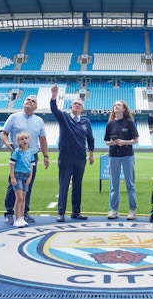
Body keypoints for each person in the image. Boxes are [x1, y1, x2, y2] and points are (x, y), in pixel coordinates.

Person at [0, 94, 49, 225]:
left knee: (28, 184)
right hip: (18, 156)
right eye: (28, 100)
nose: (30, 102)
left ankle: (24, 212)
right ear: (23, 103)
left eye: (33, 101)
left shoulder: (39, 121)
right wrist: (7, 143)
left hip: (32, 156)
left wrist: (46, 156)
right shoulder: (13, 117)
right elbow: (4, 133)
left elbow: (42, 139)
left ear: (36, 107)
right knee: (13, 184)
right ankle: (9, 212)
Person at [50, 85, 95, 222]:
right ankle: (61, 213)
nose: (77, 105)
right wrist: (54, 95)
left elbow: (90, 139)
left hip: (80, 158)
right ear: (71, 106)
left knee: (77, 185)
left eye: (79, 104)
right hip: (66, 157)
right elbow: (54, 109)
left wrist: (91, 154)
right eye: (75, 103)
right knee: (64, 185)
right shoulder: (64, 117)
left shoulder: (86, 122)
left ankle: (76, 212)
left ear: (82, 109)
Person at [104, 100, 139, 220]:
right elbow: (106, 141)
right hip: (113, 156)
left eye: (118, 105)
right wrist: (111, 143)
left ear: (124, 109)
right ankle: (113, 210)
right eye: (114, 105)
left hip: (127, 155)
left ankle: (132, 210)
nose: (116, 106)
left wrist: (124, 142)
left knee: (130, 184)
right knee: (114, 185)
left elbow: (136, 140)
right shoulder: (110, 124)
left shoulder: (129, 122)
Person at [9, 131, 35, 228]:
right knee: (19, 198)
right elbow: (11, 164)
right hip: (18, 175)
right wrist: (12, 177)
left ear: (29, 140)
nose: (24, 140)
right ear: (18, 142)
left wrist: (30, 177)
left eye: (26, 138)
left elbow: (31, 166)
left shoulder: (31, 152)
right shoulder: (17, 152)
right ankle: (16, 218)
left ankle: (21, 217)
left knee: (23, 198)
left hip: (26, 175)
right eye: (22, 139)